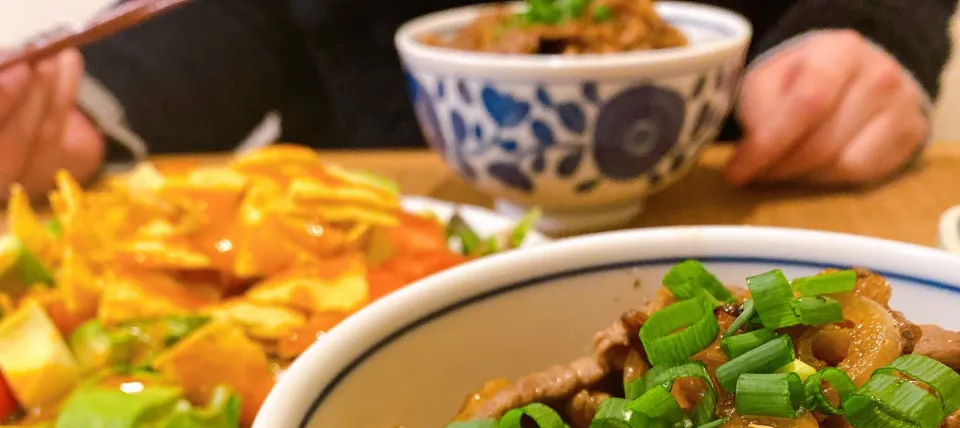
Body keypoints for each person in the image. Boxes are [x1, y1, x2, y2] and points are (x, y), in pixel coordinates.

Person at [0, 0, 954, 199]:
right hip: (387, 237)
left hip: (737, 200)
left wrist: (872, 36)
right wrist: (70, 114)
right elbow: (222, 24)